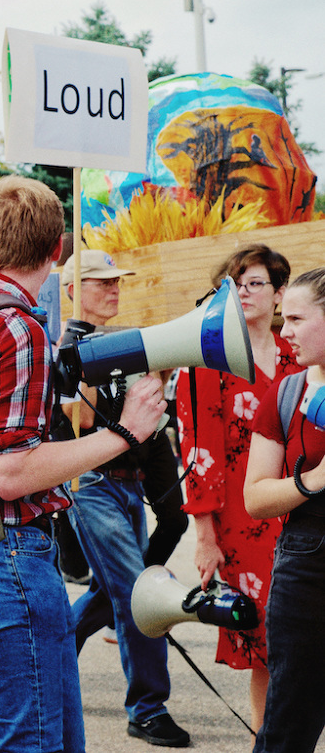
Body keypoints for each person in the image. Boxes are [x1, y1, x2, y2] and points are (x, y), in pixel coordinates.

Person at [0, 176, 164, 753]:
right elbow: (12, 472)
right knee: (37, 742)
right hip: (8, 553)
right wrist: (126, 433)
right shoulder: (17, 327)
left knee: (50, 737)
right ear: (57, 248)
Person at [53, 249, 190, 747]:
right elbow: (81, 423)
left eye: (117, 282)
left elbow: (148, 427)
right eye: (102, 282)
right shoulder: (65, 348)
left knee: (109, 591)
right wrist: (76, 361)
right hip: (91, 483)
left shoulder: (123, 344)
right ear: (74, 290)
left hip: (129, 484)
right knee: (138, 594)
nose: (114, 289)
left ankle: (48, 664)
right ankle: (148, 709)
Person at [178, 244, 299, 733]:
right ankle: (266, 738)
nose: (244, 293)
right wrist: (204, 537)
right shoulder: (210, 360)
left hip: (302, 507)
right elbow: (198, 451)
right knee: (269, 633)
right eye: (234, 285)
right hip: (242, 518)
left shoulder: (299, 355)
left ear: (279, 294)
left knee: (303, 630)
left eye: (255, 283)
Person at [244, 266, 325, 753]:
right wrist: (312, 480)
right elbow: (255, 497)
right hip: (306, 562)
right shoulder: (288, 392)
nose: (285, 331)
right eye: (283, 318)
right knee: (288, 723)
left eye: (296, 319)